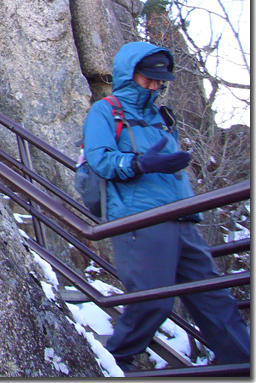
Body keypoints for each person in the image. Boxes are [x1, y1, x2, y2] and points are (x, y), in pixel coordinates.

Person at [82, 41, 250, 372]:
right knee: (153, 300)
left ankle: (243, 365)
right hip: (140, 218)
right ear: (131, 75)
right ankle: (111, 362)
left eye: (160, 79)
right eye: (150, 78)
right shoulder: (105, 110)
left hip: (183, 216)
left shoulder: (161, 115)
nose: (157, 84)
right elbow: (99, 159)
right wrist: (142, 163)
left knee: (213, 296)